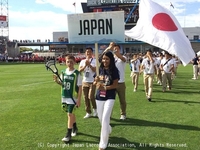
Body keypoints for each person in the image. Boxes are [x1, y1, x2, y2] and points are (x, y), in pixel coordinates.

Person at [53, 55, 82, 143]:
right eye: (68, 62)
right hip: (64, 96)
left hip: (72, 97)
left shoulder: (77, 73)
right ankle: (75, 127)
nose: (69, 63)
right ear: (65, 62)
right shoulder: (63, 72)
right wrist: (56, 81)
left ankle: (68, 134)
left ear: (74, 62)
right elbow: (62, 84)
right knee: (70, 114)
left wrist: (79, 100)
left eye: (71, 62)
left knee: (70, 114)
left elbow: (80, 87)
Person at [94, 51, 119, 150]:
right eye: (103, 59)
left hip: (110, 97)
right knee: (101, 119)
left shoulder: (114, 70)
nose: (105, 61)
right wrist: (96, 81)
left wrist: (105, 88)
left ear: (111, 60)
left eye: (107, 59)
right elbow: (95, 83)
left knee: (105, 119)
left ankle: (103, 144)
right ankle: (108, 129)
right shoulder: (99, 69)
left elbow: (115, 85)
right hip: (99, 97)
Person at [102, 42, 127, 120]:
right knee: (109, 100)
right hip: (111, 83)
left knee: (122, 100)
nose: (115, 50)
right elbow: (103, 57)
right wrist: (109, 48)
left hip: (121, 82)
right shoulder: (111, 59)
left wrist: (114, 50)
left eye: (117, 49)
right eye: (114, 48)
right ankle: (109, 115)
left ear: (119, 50)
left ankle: (123, 114)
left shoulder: (123, 57)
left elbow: (121, 58)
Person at [79, 47, 97, 118]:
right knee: (85, 97)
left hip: (92, 81)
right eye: (87, 51)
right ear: (85, 53)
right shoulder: (82, 61)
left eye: (89, 51)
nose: (88, 53)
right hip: (85, 81)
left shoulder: (95, 60)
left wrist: (89, 64)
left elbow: (95, 69)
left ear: (92, 53)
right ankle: (88, 112)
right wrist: (85, 65)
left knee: (91, 96)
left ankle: (95, 109)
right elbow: (79, 70)